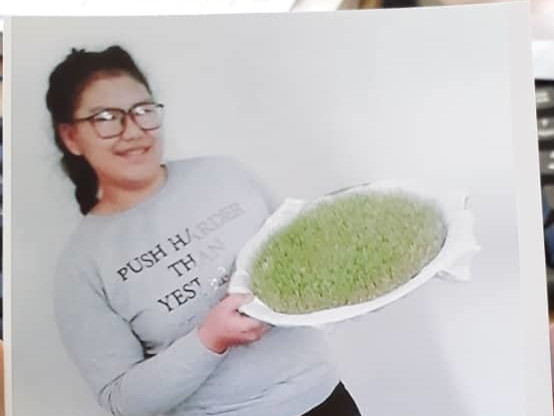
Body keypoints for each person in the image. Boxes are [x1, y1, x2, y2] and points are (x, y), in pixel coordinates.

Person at [47, 45, 362, 416]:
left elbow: (301, 262)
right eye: (106, 118)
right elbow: (123, 401)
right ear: (70, 137)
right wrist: (209, 340)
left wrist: (340, 225)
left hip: (325, 398)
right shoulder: (81, 266)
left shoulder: (224, 175)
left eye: (143, 110)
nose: (133, 131)